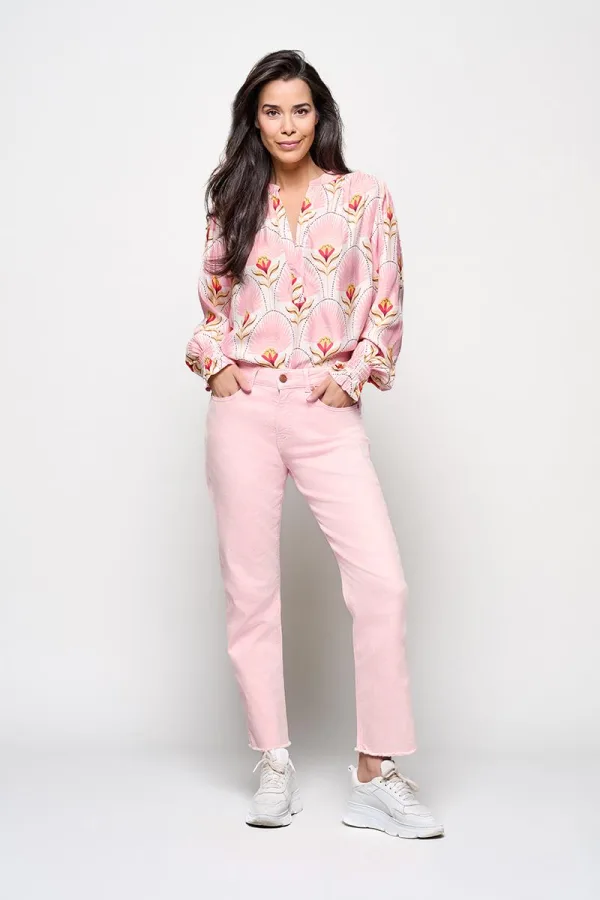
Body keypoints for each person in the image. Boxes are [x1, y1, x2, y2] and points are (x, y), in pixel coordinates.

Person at [185, 49, 444, 840]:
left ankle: (375, 774)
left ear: (319, 114)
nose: (287, 125)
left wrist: (352, 376)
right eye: (271, 111)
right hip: (245, 407)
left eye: (299, 109)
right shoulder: (232, 197)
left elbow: (387, 299)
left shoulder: (362, 197)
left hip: (325, 408)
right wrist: (216, 367)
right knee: (251, 591)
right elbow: (212, 309)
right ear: (254, 120)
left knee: (382, 584)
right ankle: (273, 762)